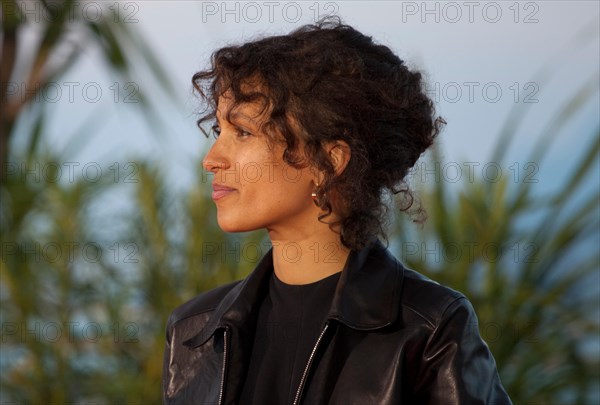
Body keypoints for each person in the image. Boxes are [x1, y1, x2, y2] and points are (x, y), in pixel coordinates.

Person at [162, 16, 512, 405]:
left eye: (242, 132)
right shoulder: (194, 332)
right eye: (218, 133)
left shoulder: (429, 329)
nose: (211, 160)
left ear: (329, 162)